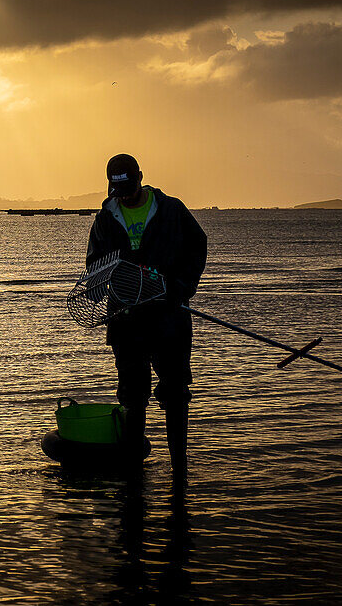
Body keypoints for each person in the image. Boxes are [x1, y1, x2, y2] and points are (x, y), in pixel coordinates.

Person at [86, 154, 207, 481]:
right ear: (111, 186)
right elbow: (95, 266)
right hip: (126, 322)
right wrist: (107, 287)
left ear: (141, 177)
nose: (124, 195)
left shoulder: (171, 209)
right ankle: (132, 469)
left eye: (129, 187)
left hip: (170, 318)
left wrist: (182, 287)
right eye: (118, 189)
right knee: (132, 394)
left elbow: (198, 245)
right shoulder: (105, 219)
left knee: (176, 391)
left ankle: (179, 469)